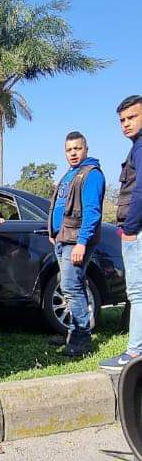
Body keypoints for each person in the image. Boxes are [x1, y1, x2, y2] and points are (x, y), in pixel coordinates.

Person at [48, 131, 105, 357]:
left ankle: (82, 339)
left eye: (77, 148)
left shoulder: (91, 174)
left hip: (75, 240)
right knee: (72, 286)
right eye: (69, 150)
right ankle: (73, 334)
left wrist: (82, 242)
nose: (73, 153)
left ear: (86, 149)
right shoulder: (70, 174)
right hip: (63, 238)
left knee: (71, 286)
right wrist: (53, 232)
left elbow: (92, 212)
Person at [100, 95, 142, 373]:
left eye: (132, 117)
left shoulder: (140, 148)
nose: (126, 124)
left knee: (137, 293)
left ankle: (135, 353)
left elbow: (141, 191)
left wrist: (130, 228)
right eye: (122, 120)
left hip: (136, 231)